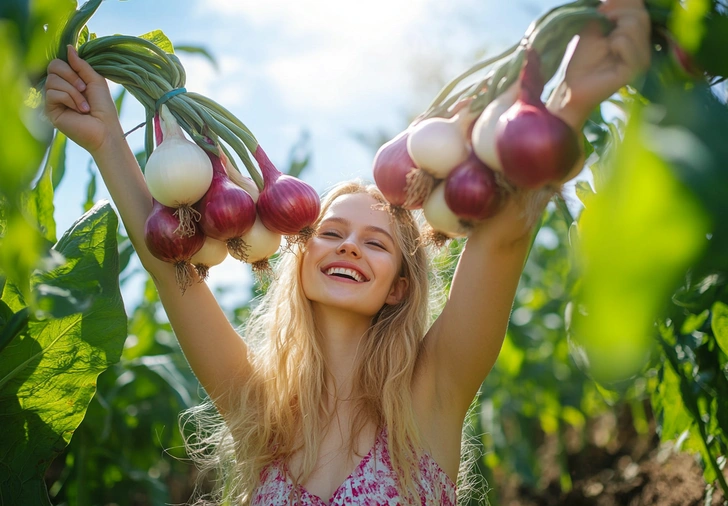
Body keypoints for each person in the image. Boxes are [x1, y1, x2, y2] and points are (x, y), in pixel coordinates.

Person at [43, 0, 651, 503]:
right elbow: (171, 263)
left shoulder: (432, 396)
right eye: (331, 232)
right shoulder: (258, 410)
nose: (350, 246)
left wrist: (571, 101)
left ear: (400, 285)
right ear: (300, 258)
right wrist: (104, 142)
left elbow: (505, 234)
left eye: (377, 241)